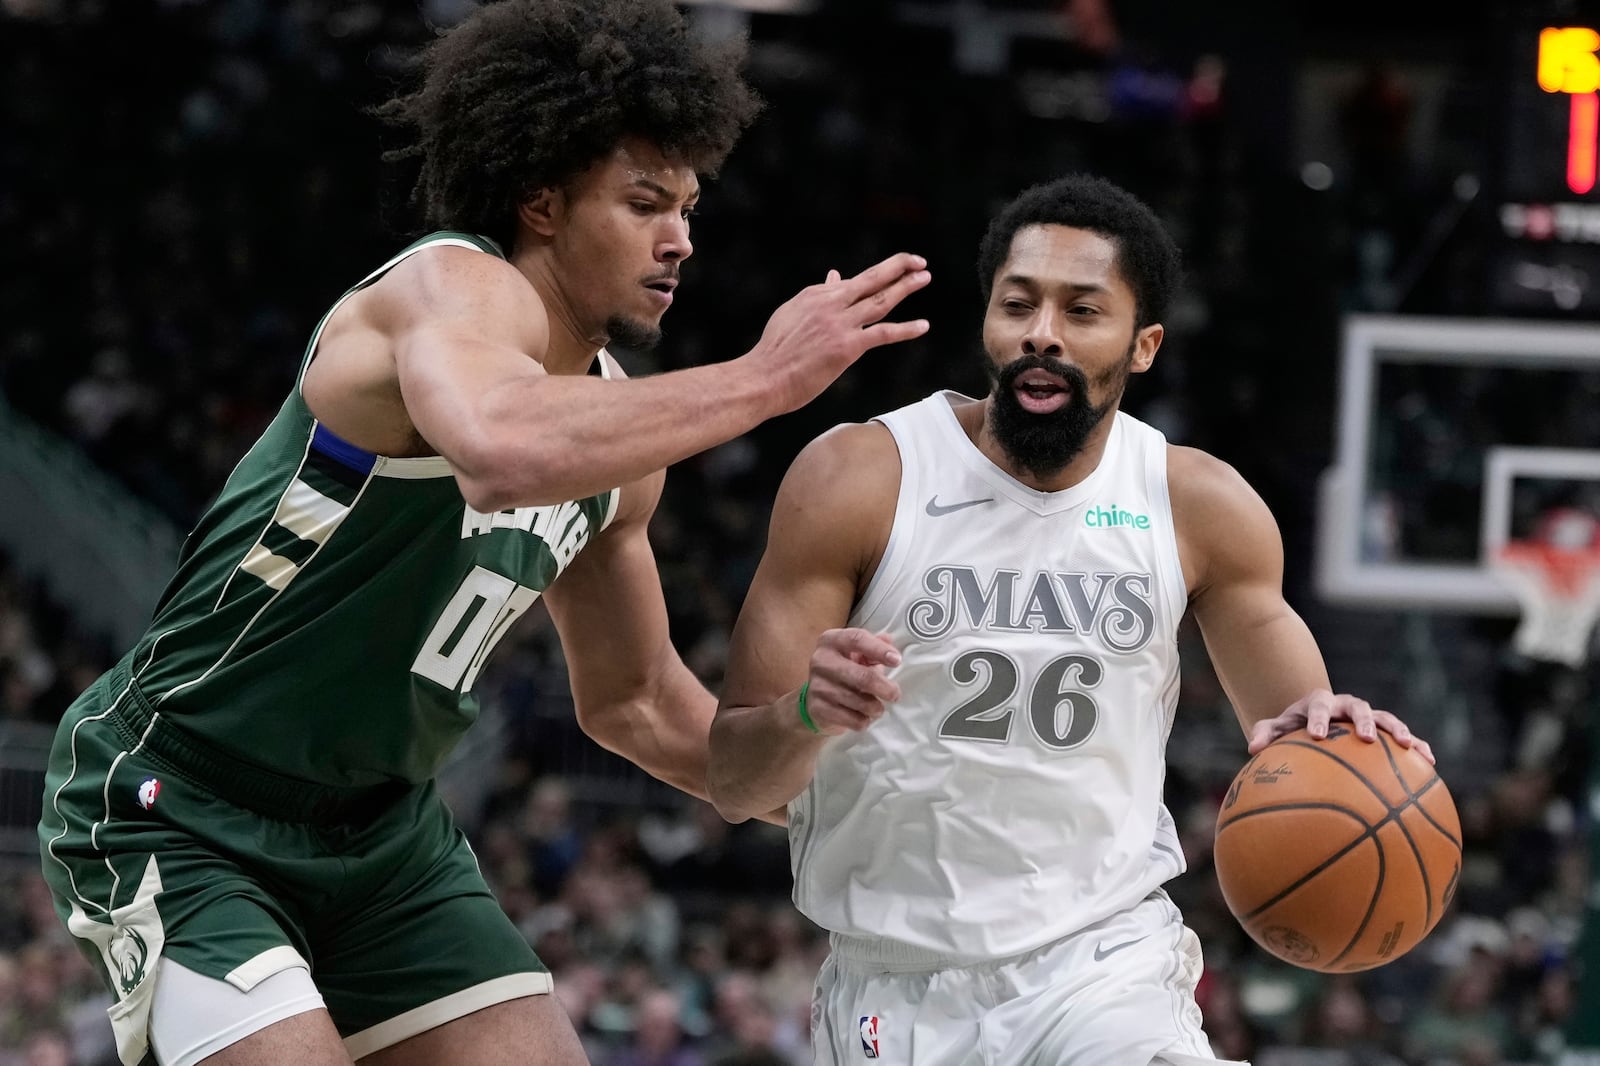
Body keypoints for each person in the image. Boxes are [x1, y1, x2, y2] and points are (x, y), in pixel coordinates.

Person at [36, 3, 931, 1065]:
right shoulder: (451, 284)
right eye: (645, 200)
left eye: (689, 205)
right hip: (181, 798)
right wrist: (765, 379)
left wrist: (851, 791)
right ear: (541, 201)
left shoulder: (619, 444)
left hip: (380, 834)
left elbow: (641, 706)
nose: (681, 235)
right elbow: (500, 446)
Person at [706, 174, 1436, 1066]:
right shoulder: (860, 478)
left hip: (1101, 970)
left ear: (1143, 346)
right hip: (892, 983)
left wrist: (1339, 739)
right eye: (1019, 304)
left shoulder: (1198, 505)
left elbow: (1300, 742)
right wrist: (807, 713)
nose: (1041, 331)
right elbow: (738, 783)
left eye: (1082, 310)